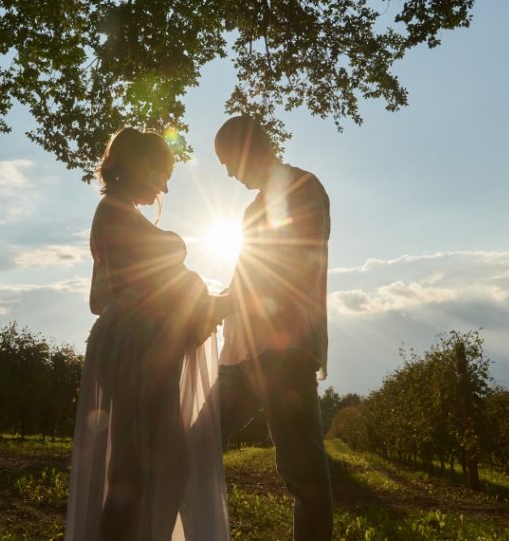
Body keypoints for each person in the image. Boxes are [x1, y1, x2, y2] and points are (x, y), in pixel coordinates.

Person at [65, 128, 231, 541]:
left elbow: (99, 298)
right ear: (139, 165)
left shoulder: (116, 213)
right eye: (162, 172)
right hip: (139, 346)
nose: (166, 186)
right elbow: (122, 294)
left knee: (162, 462)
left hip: (146, 342)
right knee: (139, 467)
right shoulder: (114, 212)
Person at [215, 115, 334, 541]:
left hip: (284, 349)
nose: (228, 172)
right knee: (202, 435)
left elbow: (293, 268)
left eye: (228, 161)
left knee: (303, 471)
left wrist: (228, 303)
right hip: (246, 350)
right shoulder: (251, 208)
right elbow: (245, 274)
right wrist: (213, 308)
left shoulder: (303, 188)